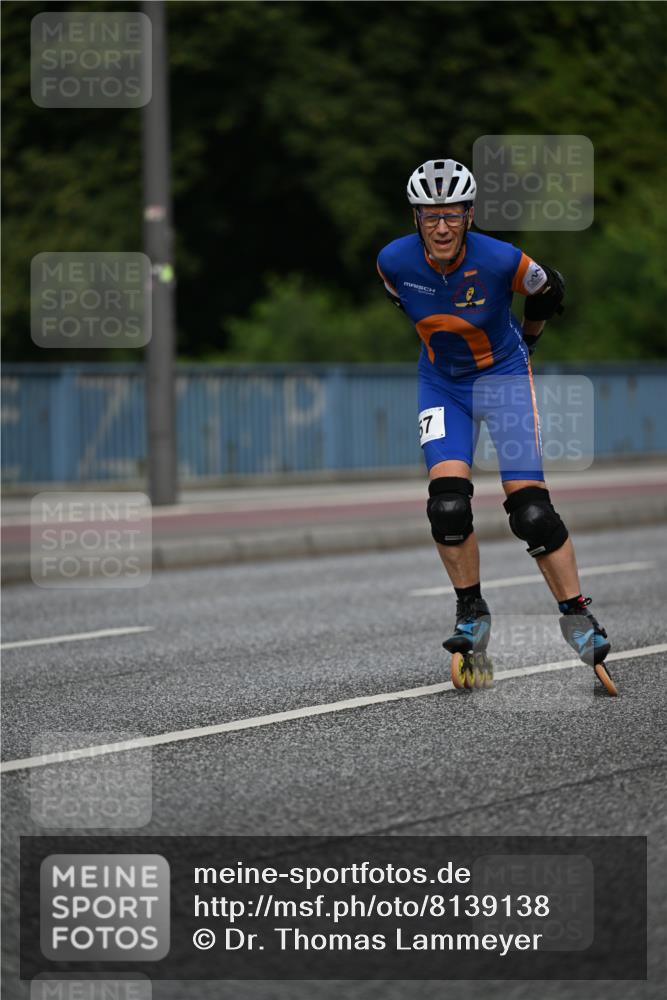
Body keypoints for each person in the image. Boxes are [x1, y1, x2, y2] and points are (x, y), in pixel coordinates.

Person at [377, 158, 616, 693]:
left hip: (504, 377)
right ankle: (470, 611)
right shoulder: (392, 261)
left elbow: (550, 288)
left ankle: (578, 614)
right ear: (415, 217)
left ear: (470, 215)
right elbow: (412, 308)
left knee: (530, 511)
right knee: (448, 504)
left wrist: (528, 340)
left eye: (453, 215)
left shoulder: (501, 259)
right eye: (430, 215)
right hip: (442, 385)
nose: (442, 227)